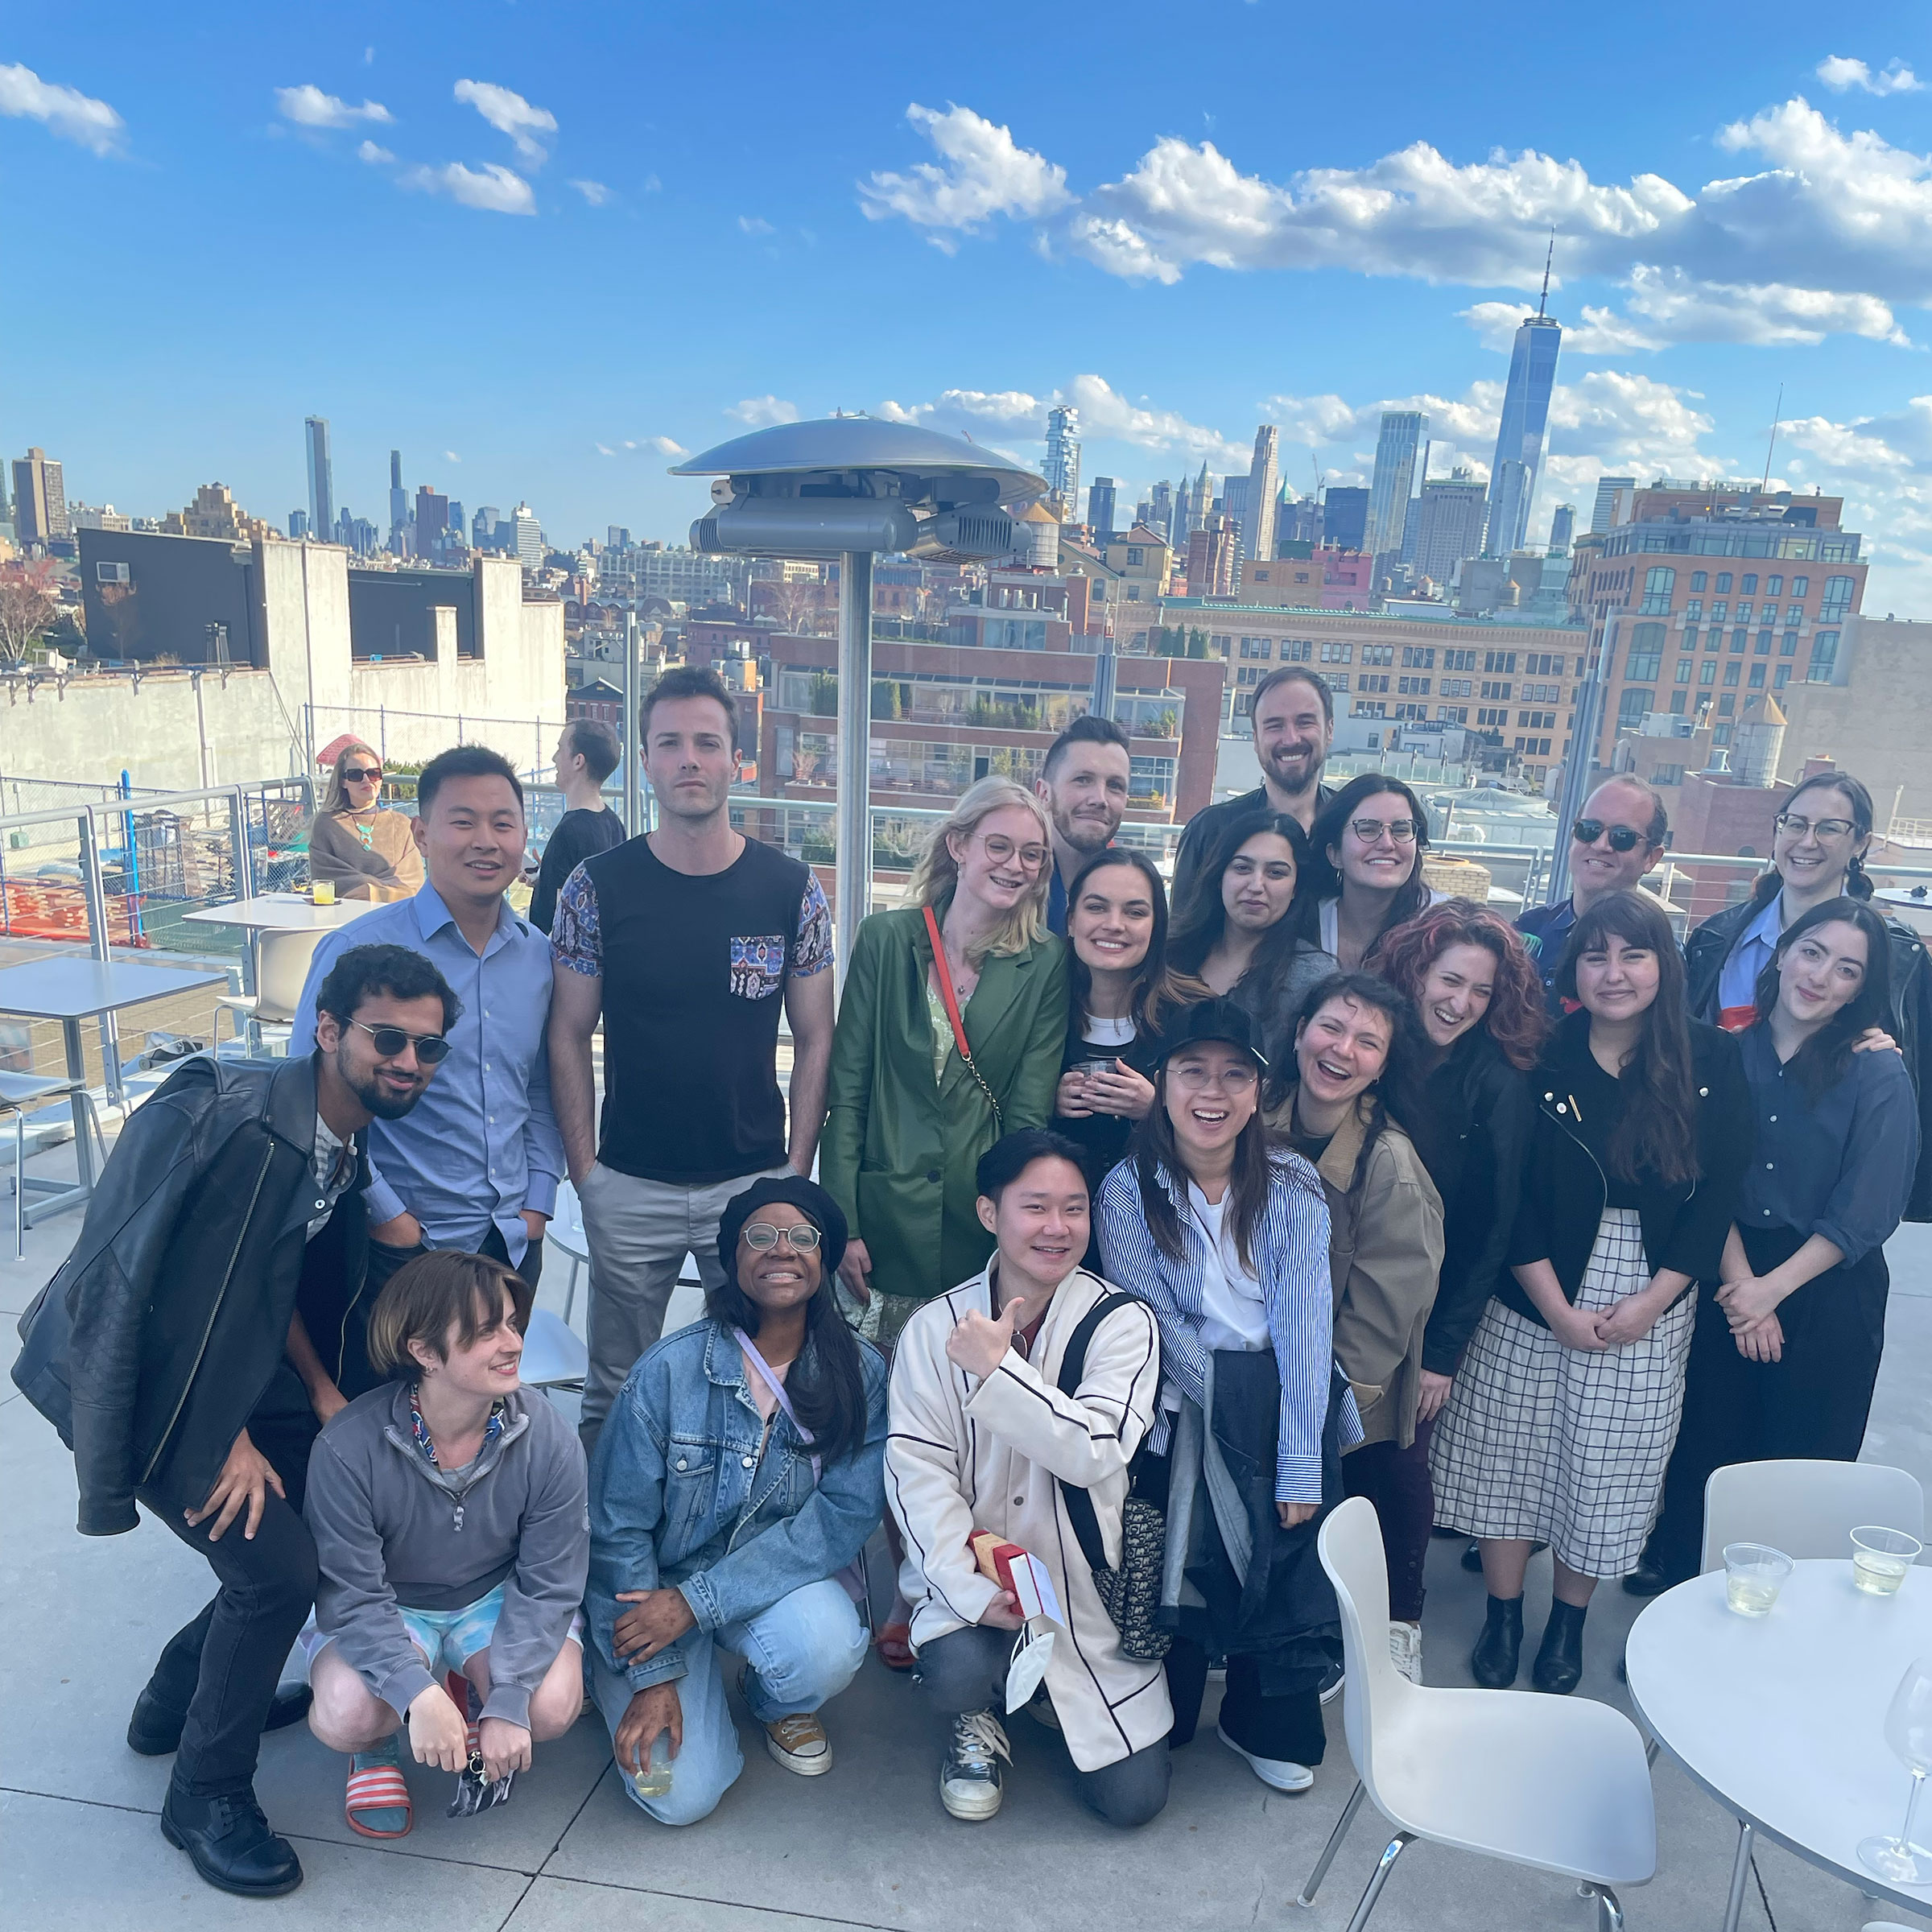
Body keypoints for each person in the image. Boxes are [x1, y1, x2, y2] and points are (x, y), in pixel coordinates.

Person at [11, 944, 453, 1897]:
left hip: (228, 1382)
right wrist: (231, 1439)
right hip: (160, 1393)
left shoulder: (331, 1128)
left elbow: (266, 1282)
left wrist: (322, 1392)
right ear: (329, 1030)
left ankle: (176, 1697)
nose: (409, 1062)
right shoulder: (257, 1135)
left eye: (428, 1048)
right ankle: (204, 1795)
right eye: (388, 1039)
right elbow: (177, 1309)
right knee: (277, 1570)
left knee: (329, 1530)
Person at [1429, 890, 1749, 1695]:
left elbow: (1717, 1198)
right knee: (1513, 1457)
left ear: (1663, 967)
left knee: (1608, 1465)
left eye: (1633, 955)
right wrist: (1555, 1309)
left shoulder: (1712, 1060)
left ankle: (1567, 1621)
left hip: (1652, 1292)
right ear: (1573, 969)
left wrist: (1655, 1301)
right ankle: (1505, 1612)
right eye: (1596, 956)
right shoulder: (1540, 1056)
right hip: (1536, 1286)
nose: (1614, 974)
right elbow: (1515, 1198)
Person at [549, 667, 836, 1451]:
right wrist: (587, 1175)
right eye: (670, 743)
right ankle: (614, 1560)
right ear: (644, 759)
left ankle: (737, 1551)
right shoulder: (595, 888)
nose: (689, 760)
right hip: (629, 1180)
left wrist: (791, 1177)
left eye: (707, 743)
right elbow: (567, 1032)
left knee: (760, 1377)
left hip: (750, 1183)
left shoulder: (792, 890)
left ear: (736, 760)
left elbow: (816, 1037)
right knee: (618, 1388)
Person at [1096, 1000, 1346, 1795]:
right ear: (1163, 1083)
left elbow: (1308, 1324)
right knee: (1192, 1553)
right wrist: (1236, 1420)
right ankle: (1173, 1701)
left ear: (1259, 1090)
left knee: (1287, 1541)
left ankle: (1259, 1718)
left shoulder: (1292, 1183)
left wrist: (1297, 1455)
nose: (1213, 1092)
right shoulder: (1127, 1188)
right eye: (1193, 1072)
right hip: (1184, 1402)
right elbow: (1153, 1318)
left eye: (1234, 1074)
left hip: (1288, 1394)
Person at [887, 1130, 1170, 1827]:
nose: (1057, 1228)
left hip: (1087, 1592)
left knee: (1132, 1805)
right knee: (954, 1667)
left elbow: (1094, 1451)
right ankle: (976, 1717)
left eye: (1074, 1210)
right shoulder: (934, 1328)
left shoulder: (1121, 1322)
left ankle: (1043, 1696)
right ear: (989, 1213)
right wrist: (968, 1588)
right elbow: (916, 1473)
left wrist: (997, 1371)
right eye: (1035, 1207)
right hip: (979, 1581)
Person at [587, 1176, 886, 1825]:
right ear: (733, 1258)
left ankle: (770, 1698)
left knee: (829, 1645)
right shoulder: (668, 1370)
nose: (783, 1251)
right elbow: (617, 1529)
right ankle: (607, 1670)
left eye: (803, 1238)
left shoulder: (860, 1373)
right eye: (761, 1236)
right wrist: (653, 1674)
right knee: (680, 1797)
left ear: (826, 1258)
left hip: (763, 1581)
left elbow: (842, 1518)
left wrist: (701, 1603)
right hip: (652, 1596)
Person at [1645, 900, 1920, 1587]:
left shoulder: (1878, 1073)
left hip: (1828, 1282)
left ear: (1863, 988)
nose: (1821, 976)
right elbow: (1705, 1176)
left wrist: (1770, 1291)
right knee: (1708, 1441)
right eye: (1812, 952)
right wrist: (1744, 1290)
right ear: (1781, 953)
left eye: (1847, 968)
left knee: (1803, 1453)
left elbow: (1869, 1208)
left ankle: (1780, 1605)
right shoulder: (1726, 1051)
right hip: (1730, 1265)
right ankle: (1686, 1583)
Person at [292, 745, 564, 1402]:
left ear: (524, 837)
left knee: (481, 1417)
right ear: (421, 833)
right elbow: (307, 1097)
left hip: (506, 1237)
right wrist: (387, 1213)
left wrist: (538, 1199)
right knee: (384, 1424)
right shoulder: (358, 951)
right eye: (462, 821)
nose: (485, 841)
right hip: (394, 1243)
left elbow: (540, 1088)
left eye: (503, 823)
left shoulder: (540, 958)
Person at [304, 1253, 588, 1839]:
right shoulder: (347, 1448)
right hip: (393, 1604)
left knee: (552, 1705)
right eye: (486, 1332)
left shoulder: (547, 1434)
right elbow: (354, 1594)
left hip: (492, 1595)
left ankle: (479, 1697)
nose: (512, 1343)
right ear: (425, 1352)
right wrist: (413, 1692)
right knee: (345, 1713)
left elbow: (551, 1580)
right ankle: (378, 1749)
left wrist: (510, 1696)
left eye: (513, 1323)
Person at [822, 775, 1068, 1349]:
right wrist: (842, 1225)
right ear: (959, 846)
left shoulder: (1046, 963)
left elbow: (1028, 1118)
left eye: (1032, 854)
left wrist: (1013, 1234)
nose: (1016, 865)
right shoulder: (884, 940)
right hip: (880, 1223)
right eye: (999, 846)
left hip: (975, 1228)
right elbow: (848, 1094)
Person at [1262, 972, 1444, 1685]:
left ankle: (1375, 1633)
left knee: (1358, 1502)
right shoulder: (1254, 1117)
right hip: (1260, 1354)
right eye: (1331, 1028)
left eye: (1368, 1042)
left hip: (1345, 1378)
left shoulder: (1388, 1161)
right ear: (1300, 1030)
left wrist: (1333, 1392)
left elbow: (1393, 1291)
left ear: (1384, 1064)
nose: (1343, 1050)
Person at [1367, 902, 1547, 1598]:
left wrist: (1443, 1352)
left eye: (1481, 991)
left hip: (1427, 1300)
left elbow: (1491, 1227)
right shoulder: (1375, 1041)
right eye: (1450, 981)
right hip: (1340, 1276)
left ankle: (1400, 1615)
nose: (1462, 1003)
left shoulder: (1496, 1079)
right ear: (1416, 970)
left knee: (1403, 1462)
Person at [1683, 767, 1930, 1217]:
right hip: (1714, 1183)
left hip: (1824, 1203)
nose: (1807, 841)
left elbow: (1913, 1083)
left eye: (1829, 829)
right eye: (1795, 824)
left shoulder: (1902, 955)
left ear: (1860, 844)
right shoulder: (1714, 941)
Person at [1050, 847, 1200, 1246]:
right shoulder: (1038, 1007)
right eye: (1097, 908)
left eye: (1135, 912)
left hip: (1164, 1238)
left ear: (1157, 927)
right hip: (1055, 1233)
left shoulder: (1193, 1014)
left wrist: (1158, 1108)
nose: (1114, 925)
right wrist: (1044, 1099)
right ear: (1070, 921)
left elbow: (1235, 1125)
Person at [1166, 808, 1335, 1061]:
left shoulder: (1314, 977)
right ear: (1220, 875)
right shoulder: (1171, 954)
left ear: (1295, 888)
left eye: (1276, 873)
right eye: (1243, 868)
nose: (1256, 886)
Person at [1172, 667, 1337, 902]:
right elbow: (1181, 931)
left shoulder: (1353, 830)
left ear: (1329, 730)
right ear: (1256, 739)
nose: (1290, 739)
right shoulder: (1210, 831)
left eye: (1304, 722)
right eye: (1274, 725)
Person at [1516, 776, 1668, 1011]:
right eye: (1589, 830)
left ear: (1651, 858)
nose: (1600, 845)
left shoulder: (1664, 952)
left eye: (1622, 837)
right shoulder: (1526, 932)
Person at [1306, 774, 1443, 972]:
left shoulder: (1446, 927)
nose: (1387, 844)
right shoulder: (1306, 926)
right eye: (1368, 829)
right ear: (1335, 854)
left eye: (1401, 830)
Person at [1034, 712, 1132, 935]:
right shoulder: (1008, 883)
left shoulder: (1134, 891)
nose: (1099, 799)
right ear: (1044, 793)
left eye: (1115, 785)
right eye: (1083, 780)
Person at [528, 717, 625, 934]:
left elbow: (564, 917)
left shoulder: (570, 832)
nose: (554, 758)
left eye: (560, 749)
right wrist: (544, 878)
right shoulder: (614, 823)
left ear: (578, 761)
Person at [307, 741, 425, 898]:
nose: (366, 780)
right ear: (343, 781)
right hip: (346, 914)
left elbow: (413, 882)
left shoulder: (401, 824)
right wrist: (384, 890)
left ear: (381, 779)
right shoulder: (327, 824)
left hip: (396, 913)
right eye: (355, 775)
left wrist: (370, 892)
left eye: (373, 773)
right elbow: (326, 879)